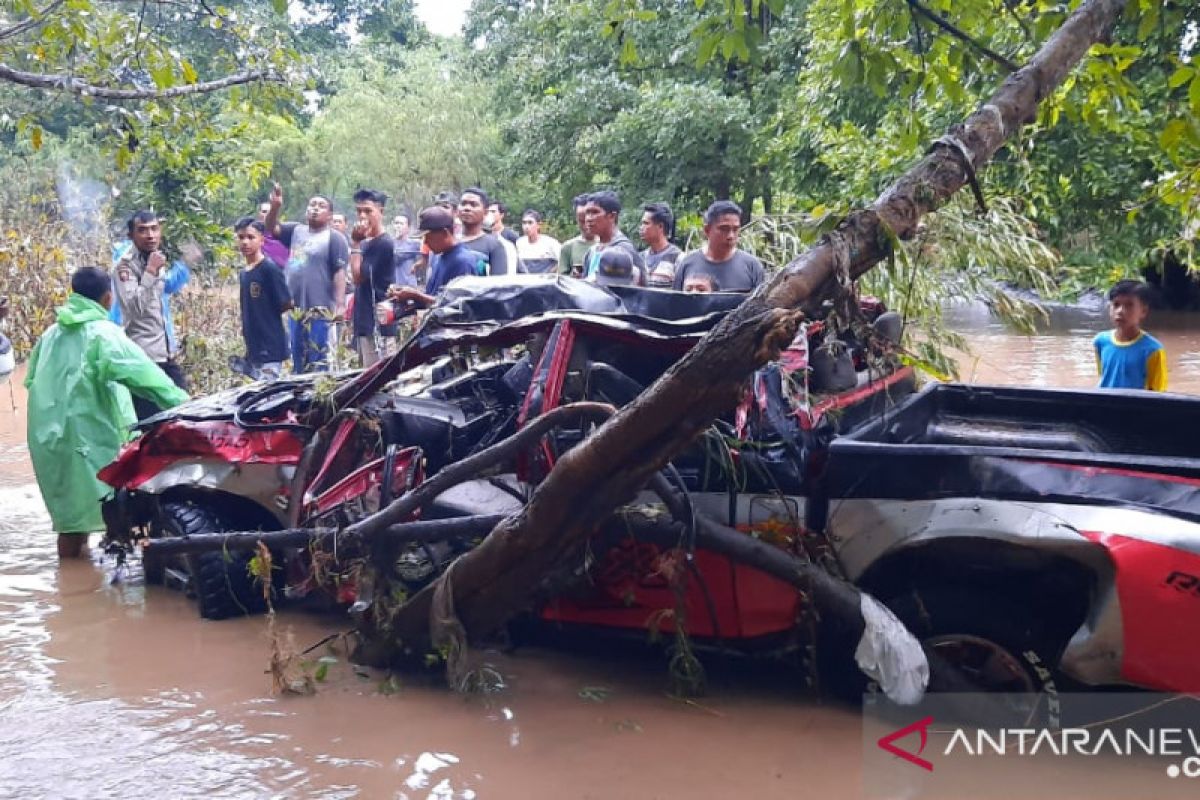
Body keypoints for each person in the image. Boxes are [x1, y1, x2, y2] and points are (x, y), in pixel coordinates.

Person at [26, 267, 189, 558]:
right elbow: (148, 378)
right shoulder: (103, 335)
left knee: (70, 523)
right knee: (114, 511)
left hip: (48, 439)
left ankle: (71, 591)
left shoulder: (49, 335)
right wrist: (188, 405)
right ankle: (106, 594)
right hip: (92, 439)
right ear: (107, 298)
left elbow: (30, 381)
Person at [112, 210, 192, 419]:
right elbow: (134, 308)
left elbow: (165, 290)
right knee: (152, 423)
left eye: (154, 229)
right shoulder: (124, 267)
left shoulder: (156, 259)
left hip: (166, 355)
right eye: (142, 230)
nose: (150, 235)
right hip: (143, 358)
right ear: (131, 235)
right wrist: (150, 272)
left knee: (185, 411)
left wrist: (186, 262)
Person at [264, 183, 349, 373]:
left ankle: (319, 397)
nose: (315, 209)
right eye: (312, 205)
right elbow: (271, 228)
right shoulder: (295, 231)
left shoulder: (334, 238)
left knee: (319, 359)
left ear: (329, 215)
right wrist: (275, 207)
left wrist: (340, 304)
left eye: (321, 206)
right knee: (297, 357)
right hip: (296, 308)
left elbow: (339, 272)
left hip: (320, 310)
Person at [234, 218, 292, 381]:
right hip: (254, 347)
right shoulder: (245, 272)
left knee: (268, 393)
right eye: (241, 237)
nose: (245, 242)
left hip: (270, 344)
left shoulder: (269, 268)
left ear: (262, 240)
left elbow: (286, 302)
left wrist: (266, 314)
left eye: (251, 237)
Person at [387, 207, 478, 311]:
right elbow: (433, 295)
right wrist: (407, 294)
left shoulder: (463, 261)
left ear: (445, 233)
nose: (425, 243)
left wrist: (416, 295)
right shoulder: (438, 256)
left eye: (428, 237)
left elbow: (457, 306)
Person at [348, 189, 397, 367]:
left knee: (378, 379)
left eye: (368, 211)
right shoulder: (367, 243)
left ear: (381, 212)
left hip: (378, 326)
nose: (362, 216)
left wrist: (354, 244)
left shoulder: (383, 243)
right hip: (365, 321)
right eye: (359, 211)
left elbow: (358, 277)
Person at [672, 200, 765, 293]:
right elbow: (675, 303)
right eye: (724, 229)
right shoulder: (688, 264)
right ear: (707, 230)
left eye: (735, 229)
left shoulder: (752, 267)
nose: (731, 236)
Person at [1094, 279, 1167, 391]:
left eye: (1129, 305)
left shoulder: (1153, 350)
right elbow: (1104, 377)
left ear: (1143, 311)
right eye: (1116, 305)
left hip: (1136, 407)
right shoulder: (1100, 342)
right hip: (1106, 405)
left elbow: (1159, 393)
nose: (1120, 311)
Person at [582, 191, 647, 285]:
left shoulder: (623, 250)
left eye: (595, 212)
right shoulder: (591, 251)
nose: (588, 218)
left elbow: (639, 288)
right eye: (587, 213)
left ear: (612, 216)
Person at [458, 187, 510, 276]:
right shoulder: (448, 242)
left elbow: (499, 284)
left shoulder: (494, 246)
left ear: (485, 212)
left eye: (473, 205)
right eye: (463, 204)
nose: (467, 208)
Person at [640, 202, 682, 288]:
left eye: (646, 223)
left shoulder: (678, 259)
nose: (641, 227)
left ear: (660, 226)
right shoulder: (640, 258)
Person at [557, 194, 596, 277]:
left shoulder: (608, 244)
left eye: (589, 220)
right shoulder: (568, 247)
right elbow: (561, 280)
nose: (586, 225)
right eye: (582, 221)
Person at [516, 209, 561, 274]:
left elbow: (563, 262)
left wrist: (550, 274)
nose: (526, 226)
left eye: (530, 223)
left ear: (538, 225)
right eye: (524, 223)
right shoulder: (519, 243)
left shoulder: (551, 243)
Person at [391, 213, 422, 289]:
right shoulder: (389, 243)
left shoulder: (414, 244)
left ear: (408, 228)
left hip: (409, 286)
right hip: (393, 286)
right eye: (396, 223)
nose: (398, 226)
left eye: (401, 224)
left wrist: (417, 265)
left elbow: (426, 256)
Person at [258, 202, 291, 266]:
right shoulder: (255, 235)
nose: (267, 215)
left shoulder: (285, 232)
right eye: (264, 212)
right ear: (259, 214)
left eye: (270, 212)